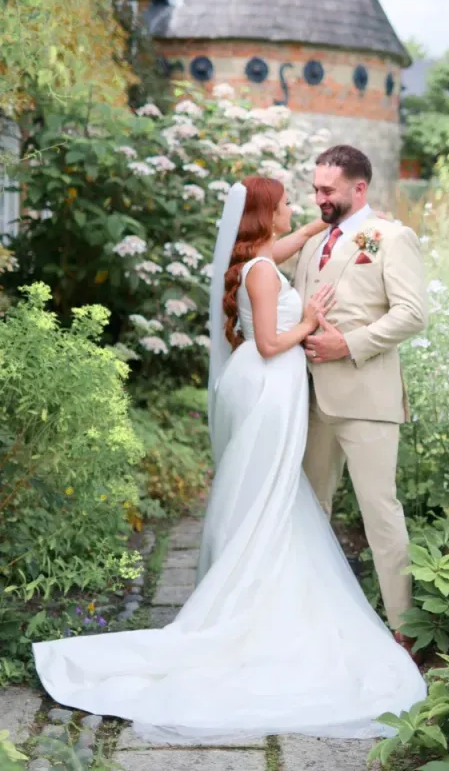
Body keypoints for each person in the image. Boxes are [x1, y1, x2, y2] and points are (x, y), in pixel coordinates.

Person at [33, 172, 426, 746]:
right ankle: (258, 593)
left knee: (274, 494)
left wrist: (343, 219)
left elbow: (299, 242)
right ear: (266, 214)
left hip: (271, 388)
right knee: (275, 493)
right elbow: (269, 343)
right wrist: (312, 322)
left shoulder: (263, 256)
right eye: (291, 201)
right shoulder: (263, 271)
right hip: (270, 386)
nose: (301, 205)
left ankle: (268, 579)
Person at [294, 145, 426, 652]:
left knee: (380, 512)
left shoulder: (393, 237)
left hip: (367, 398)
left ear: (359, 188)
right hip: (309, 401)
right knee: (309, 511)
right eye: (315, 189)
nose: (319, 197)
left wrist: (347, 344)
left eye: (328, 190)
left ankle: (404, 631)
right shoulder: (312, 244)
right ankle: (309, 618)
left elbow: (413, 313)